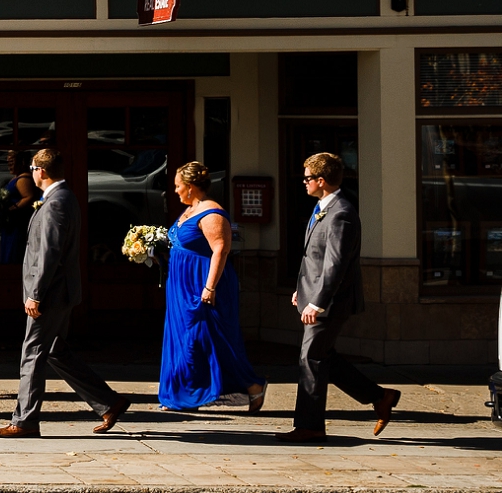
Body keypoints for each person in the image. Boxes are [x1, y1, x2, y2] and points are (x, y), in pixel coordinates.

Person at [0, 148, 131, 438]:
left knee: (32, 352)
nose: (31, 173)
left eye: (32, 168)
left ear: (41, 171)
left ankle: (25, 421)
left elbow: (49, 253)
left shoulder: (57, 202)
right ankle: (109, 402)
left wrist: (36, 294)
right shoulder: (61, 197)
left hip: (51, 293)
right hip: (59, 291)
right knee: (54, 349)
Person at [279, 151, 400, 442]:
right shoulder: (323, 206)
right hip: (317, 295)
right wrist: (302, 289)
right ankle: (380, 396)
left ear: (321, 181)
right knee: (323, 357)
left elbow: (336, 264)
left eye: (307, 178)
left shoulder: (341, 213)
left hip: (331, 302)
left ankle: (309, 426)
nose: (304, 183)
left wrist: (318, 302)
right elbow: (315, 258)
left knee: (310, 358)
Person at [159, 161, 266, 412]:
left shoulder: (212, 212)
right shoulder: (189, 209)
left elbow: (221, 249)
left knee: (209, 338)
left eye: (178, 186)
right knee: (185, 338)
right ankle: (185, 394)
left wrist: (209, 287)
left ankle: (252, 386)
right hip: (181, 288)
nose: (175, 191)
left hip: (203, 285)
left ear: (191, 186)